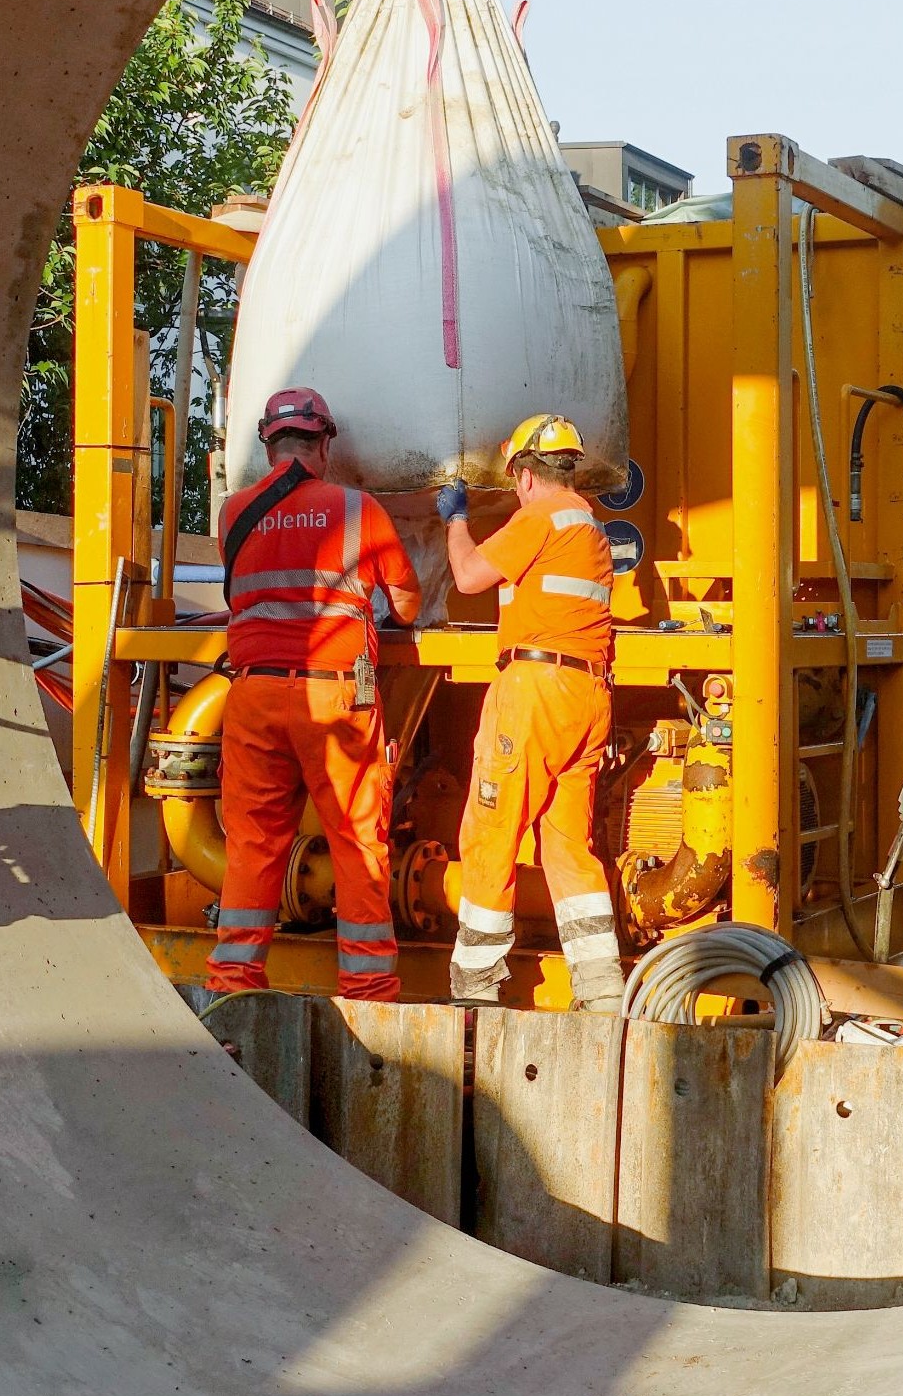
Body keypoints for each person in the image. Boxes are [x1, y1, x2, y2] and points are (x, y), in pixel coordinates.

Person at [205, 387, 422, 1002]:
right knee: (356, 842)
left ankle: (232, 987)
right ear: (323, 443)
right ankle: (368, 991)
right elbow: (407, 604)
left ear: (268, 444)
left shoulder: (233, 513)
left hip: (252, 696)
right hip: (334, 701)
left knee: (251, 845)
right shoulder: (357, 509)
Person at [436, 413, 625, 1011]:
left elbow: (468, 576)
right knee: (568, 845)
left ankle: (476, 986)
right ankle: (600, 990)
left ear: (522, 474)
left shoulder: (538, 518)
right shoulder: (588, 524)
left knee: (491, 831)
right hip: (587, 694)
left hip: (534, 690)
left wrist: (457, 518)